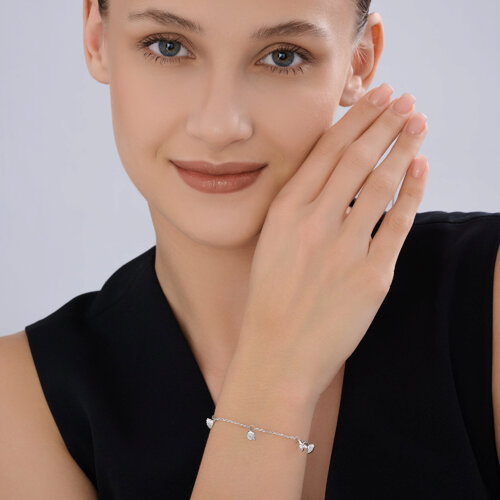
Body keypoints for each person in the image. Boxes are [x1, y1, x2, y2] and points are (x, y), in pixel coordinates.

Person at [1, 0, 499, 498]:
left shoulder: (487, 298)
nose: (220, 126)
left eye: (283, 56)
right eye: (168, 46)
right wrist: (276, 370)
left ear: (359, 62)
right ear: (96, 38)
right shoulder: (22, 397)